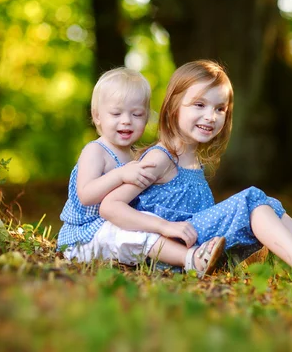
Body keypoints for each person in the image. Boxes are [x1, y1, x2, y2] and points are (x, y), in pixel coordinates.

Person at [100, 61, 292, 301]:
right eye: (199, 104)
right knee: (252, 198)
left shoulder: (192, 160)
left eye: (219, 108)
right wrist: (164, 226)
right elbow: (110, 206)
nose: (210, 116)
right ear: (174, 106)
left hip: (200, 245)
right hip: (174, 250)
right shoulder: (160, 158)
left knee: (269, 204)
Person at [57, 67, 226, 277]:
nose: (126, 120)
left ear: (146, 118)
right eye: (116, 113)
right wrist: (119, 175)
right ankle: (190, 258)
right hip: (84, 236)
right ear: (97, 116)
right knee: (139, 232)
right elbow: (85, 195)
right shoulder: (95, 151)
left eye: (136, 114)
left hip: (113, 228)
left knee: (142, 221)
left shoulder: (135, 156)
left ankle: (183, 257)